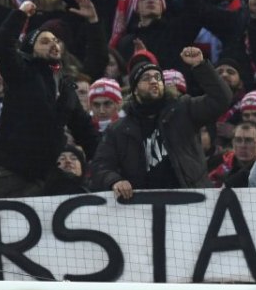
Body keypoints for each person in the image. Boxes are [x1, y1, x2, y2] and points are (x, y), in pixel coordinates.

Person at [0, 0, 97, 198]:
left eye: (56, 41)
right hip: (12, 174)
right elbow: (1, 48)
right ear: (31, 49)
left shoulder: (66, 87)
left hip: (45, 175)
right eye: (45, 42)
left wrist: (107, 166)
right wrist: (20, 15)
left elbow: (85, 131)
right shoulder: (22, 72)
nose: (54, 44)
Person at [92, 47, 231, 195]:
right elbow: (100, 166)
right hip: (144, 205)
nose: (153, 81)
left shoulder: (183, 109)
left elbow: (221, 99)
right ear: (135, 90)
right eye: (146, 78)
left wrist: (201, 66)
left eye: (157, 77)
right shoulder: (118, 130)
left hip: (192, 199)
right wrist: (115, 180)